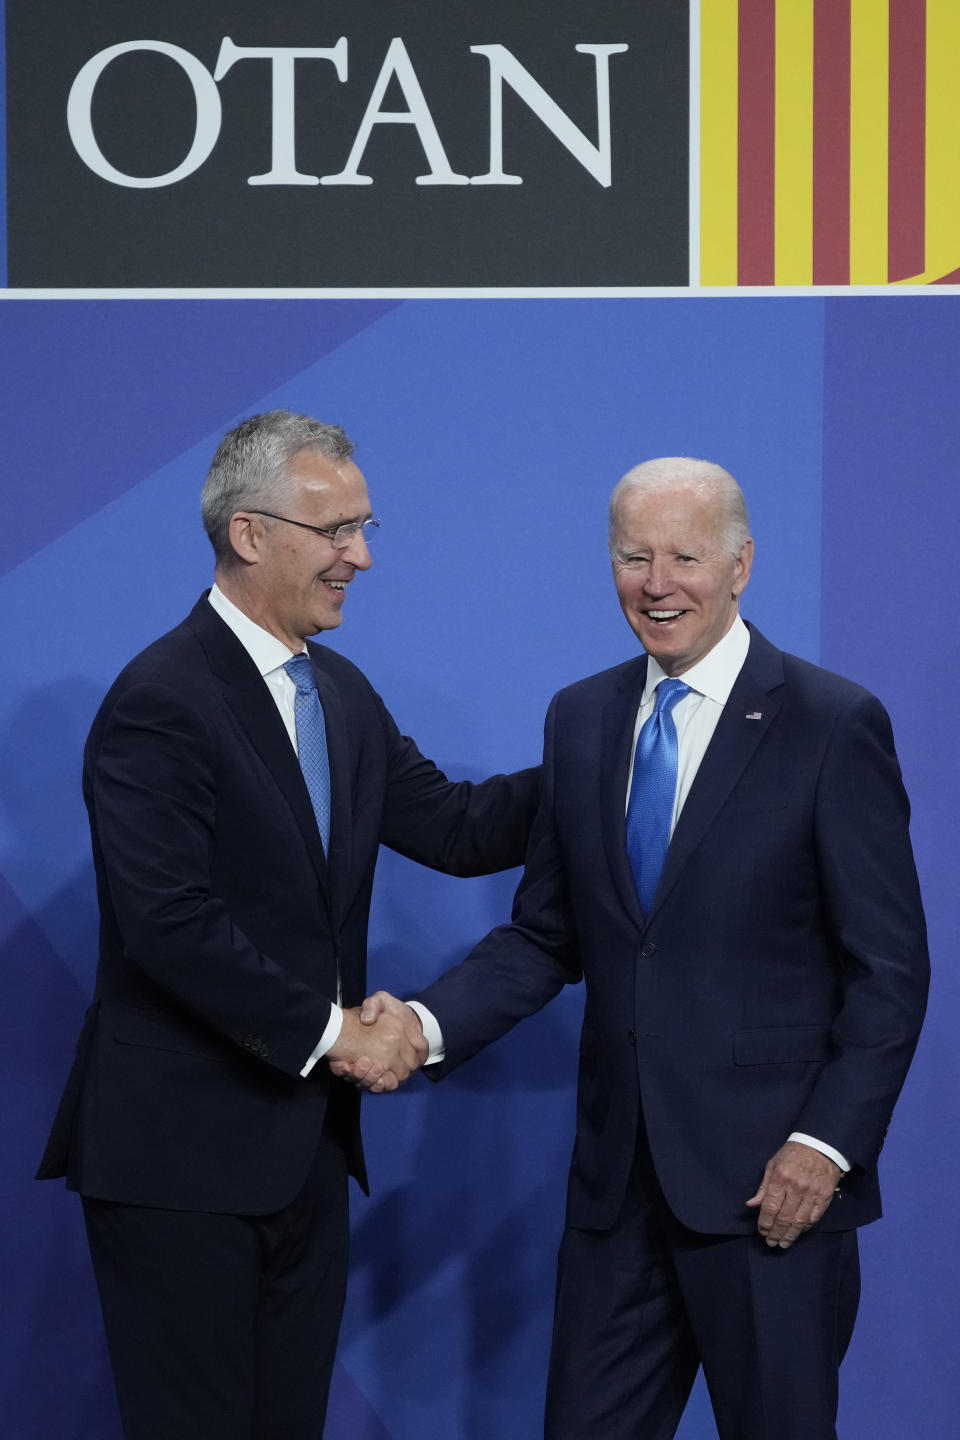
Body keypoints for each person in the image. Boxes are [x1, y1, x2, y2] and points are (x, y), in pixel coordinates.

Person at [347, 458, 929, 1440]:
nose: (658, 583)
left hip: (771, 1193)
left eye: (685, 556)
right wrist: (425, 1024)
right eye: (633, 556)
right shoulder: (584, 718)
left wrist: (825, 1146)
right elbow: (547, 936)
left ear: (741, 565)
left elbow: (891, 971)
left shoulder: (832, 725)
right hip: (618, 1197)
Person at [36, 409, 539, 1440]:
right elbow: (169, 923)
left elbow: (454, 825)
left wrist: (605, 751)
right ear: (250, 533)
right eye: (335, 529)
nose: (359, 554)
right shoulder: (160, 700)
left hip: (304, 1152)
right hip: (180, 1163)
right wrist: (337, 1033)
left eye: (364, 527)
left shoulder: (339, 694)